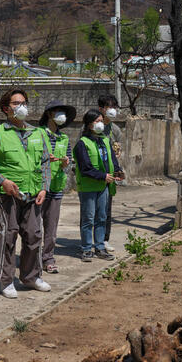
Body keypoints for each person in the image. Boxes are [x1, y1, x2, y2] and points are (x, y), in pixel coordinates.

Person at [0, 89, 52, 299]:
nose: (21, 106)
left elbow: (45, 162)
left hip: (33, 193)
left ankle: (31, 277)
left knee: (33, 236)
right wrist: (2, 181)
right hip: (7, 196)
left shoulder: (37, 133)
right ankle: (6, 280)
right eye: (16, 103)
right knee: (8, 235)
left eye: (24, 102)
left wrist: (44, 187)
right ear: (6, 108)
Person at [73, 109, 124, 262]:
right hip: (89, 187)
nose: (100, 124)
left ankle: (100, 247)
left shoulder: (105, 141)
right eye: (97, 121)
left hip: (104, 187)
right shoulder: (82, 143)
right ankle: (87, 249)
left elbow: (112, 160)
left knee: (101, 217)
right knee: (88, 218)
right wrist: (103, 176)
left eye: (101, 121)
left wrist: (118, 171)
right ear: (89, 124)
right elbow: (85, 168)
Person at [38, 100, 76, 274]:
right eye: (57, 111)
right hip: (38, 186)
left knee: (51, 229)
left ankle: (48, 258)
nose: (61, 115)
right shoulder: (37, 134)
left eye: (63, 112)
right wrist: (45, 159)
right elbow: (30, 157)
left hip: (56, 187)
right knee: (34, 227)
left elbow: (68, 163)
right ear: (49, 114)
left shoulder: (64, 138)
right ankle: (32, 258)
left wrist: (65, 164)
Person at [97, 94, 122, 252]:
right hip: (94, 175)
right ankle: (89, 240)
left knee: (106, 209)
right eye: (109, 107)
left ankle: (104, 239)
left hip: (109, 175)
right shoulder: (93, 126)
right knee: (91, 210)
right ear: (101, 109)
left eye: (114, 107)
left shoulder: (115, 130)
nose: (112, 110)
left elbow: (118, 150)